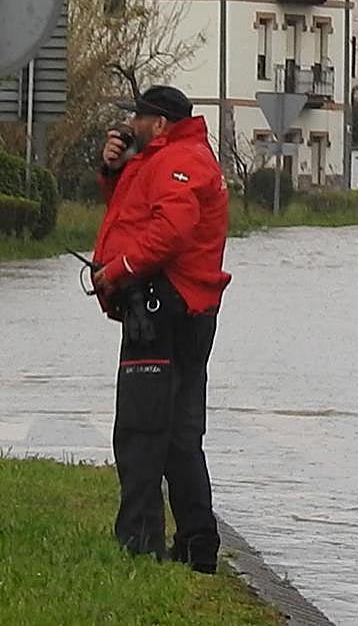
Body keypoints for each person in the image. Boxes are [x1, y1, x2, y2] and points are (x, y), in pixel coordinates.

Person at [91, 85, 231, 572]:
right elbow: (130, 214)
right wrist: (113, 170)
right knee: (179, 433)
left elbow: (170, 230)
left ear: (160, 122)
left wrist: (119, 269)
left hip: (163, 308)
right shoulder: (167, 157)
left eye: (139, 117)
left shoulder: (179, 160)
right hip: (188, 308)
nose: (131, 125)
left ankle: (140, 541)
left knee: (142, 429)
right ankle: (197, 545)